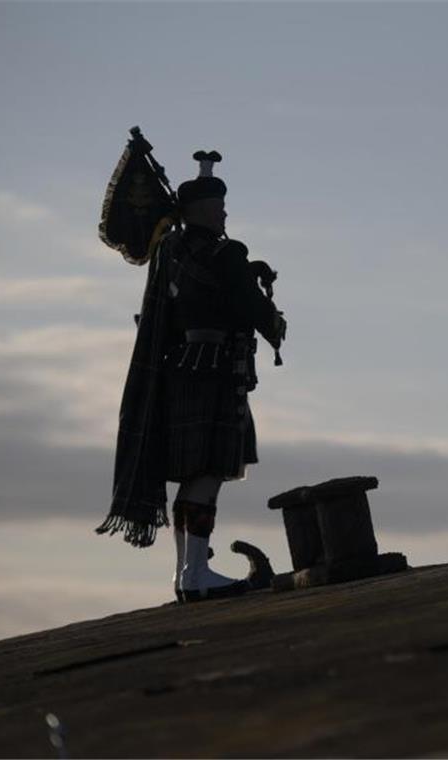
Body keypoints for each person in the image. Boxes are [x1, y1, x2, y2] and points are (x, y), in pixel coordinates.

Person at [161, 153, 286, 602]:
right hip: (218, 375)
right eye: (218, 207)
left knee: (193, 477)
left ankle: (187, 573)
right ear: (202, 210)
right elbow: (253, 312)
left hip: (179, 373)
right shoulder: (225, 252)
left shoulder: (170, 255)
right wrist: (274, 322)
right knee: (208, 473)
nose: (225, 213)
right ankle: (195, 576)